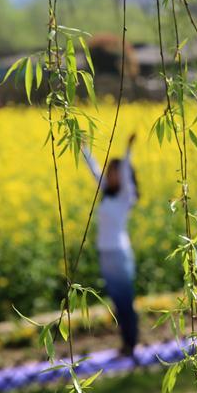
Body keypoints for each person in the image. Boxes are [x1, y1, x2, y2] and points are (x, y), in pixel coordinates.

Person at [82, 133, 139, 356]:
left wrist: (127, 150)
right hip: (105, 254)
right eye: (111, 171)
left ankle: (131, 343)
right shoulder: (106, 193)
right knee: (117, 302)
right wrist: (84, 148)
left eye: (116, 171)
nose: (112, 175)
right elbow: (93, 169)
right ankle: (126, 343)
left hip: (119, 254)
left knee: (125, 302)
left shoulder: (127, 195)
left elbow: (125, 175)